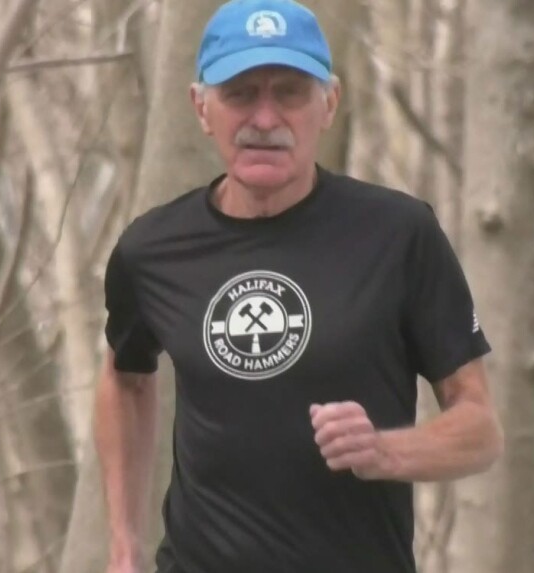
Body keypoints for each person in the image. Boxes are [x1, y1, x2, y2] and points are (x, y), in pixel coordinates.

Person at [95, 0, 504, 571]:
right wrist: (124, 543)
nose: (265, 119)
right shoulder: (152, 249)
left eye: (289, 93)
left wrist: (386, 450)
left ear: (329, 103)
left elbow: (480, 428)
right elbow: (125, 378)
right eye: (240, 94)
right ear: (201, 107)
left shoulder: (398, 235)